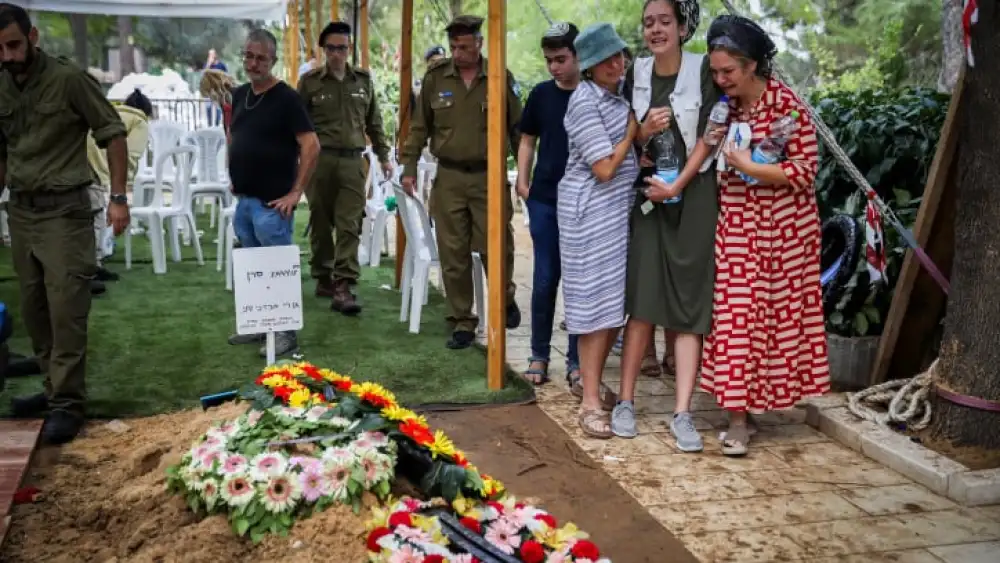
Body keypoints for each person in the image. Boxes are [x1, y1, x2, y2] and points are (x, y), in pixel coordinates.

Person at [0, 3, 130, 444]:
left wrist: (117, 198)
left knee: (66, 310)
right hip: (21, 210)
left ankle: (67, 405)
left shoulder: (69, 79)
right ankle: (54, 390)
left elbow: (112, 132)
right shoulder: (0, 84)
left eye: (14, 45)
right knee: (35, 311)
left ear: (33, 37)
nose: (8, 56)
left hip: (66, 212)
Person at [701, 14, 830, 455]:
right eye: (715, 72)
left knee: (770, 321)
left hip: (786, 232)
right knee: (736, 316)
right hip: (738, 223)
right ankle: (737, 418)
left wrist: (749, 167)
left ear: (752, 65)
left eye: (728, 72)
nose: (720, 80)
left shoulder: (787, 107)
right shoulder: (726, 108)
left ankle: (754, 408)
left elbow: (804, 171)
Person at [614, 0, 721, 447]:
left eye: (664, 22)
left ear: (682, 27)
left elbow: (710, 137)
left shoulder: (702, 71)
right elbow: (625, 137)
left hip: (693, 195)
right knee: (642, 298)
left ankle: (683, 413)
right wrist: (641, 135)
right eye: (649, 23)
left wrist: (676, 184)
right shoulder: (635, 74)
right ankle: (625, 401)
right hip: (649, 196)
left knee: (691, 305)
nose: (655, 30)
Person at [400, 15, 522, 350]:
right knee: (454, 254)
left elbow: (518, 130)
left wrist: (526, 173)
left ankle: (504, 297)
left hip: (488, 176)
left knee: (497, 247)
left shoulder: (499, 78)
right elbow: (420, 126)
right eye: (453, 46)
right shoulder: (436, 79)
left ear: (480, 44)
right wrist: (409, 164)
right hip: (450, 176)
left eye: (464, 46)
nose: (457, 53)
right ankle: (462, 321)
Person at [559, 23, 639, 438]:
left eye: (619, 55)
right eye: (606, 59)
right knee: (592, 310)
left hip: (614, 216)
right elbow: (604, 168)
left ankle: (591, 384)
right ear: (589, 67)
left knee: (611, 307)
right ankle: (589, 401)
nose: (616, 64)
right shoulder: (584, 102)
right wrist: (632, 134)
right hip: (587, 215)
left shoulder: (617, 96)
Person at [225, 29, 321, 358]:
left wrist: (297, 192)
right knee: (251, 267)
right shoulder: (239, 95)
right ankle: (255, 325)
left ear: (273, 61)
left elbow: (311, 145)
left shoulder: (287, 98)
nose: (253, 63)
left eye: (261, 58)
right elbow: (234, 136)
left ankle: (285, 334)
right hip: (245, 200)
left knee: (276, 268)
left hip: (273, 204)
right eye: (249, 56)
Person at [298, 21, 392, 313]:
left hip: (353, 160)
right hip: (319, 161)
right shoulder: (310, 82)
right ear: (323, 50)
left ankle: (344, 285)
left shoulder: (363, 81)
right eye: (331, 48)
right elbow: (298, 124)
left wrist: (384, 156)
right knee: (321, 222)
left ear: (349, 49)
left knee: (350, 223)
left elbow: (374, 122)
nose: (337, 54)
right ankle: (324, 274)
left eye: (342, 48)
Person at [515, 22, 581, 386]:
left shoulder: (594, 92)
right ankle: (538, 354)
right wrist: (523, 182)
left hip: (583, 204)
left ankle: (576, 360)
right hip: (544, 200)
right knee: (543, 280)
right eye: (549, 61)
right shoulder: (540, 94)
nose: (554, 67)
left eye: (561, 59)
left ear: (578, 56)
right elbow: (527, 140)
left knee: (576, 284)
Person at [86, 88, 153, 282]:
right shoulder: (139, 122)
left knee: (89, 216)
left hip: (82, 161)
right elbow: (131, 154)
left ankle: (94, 264)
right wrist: (123, 184)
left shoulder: (112, 112)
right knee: (97, 216)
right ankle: (92, 268)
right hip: (101, 167)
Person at [204, 48, 228, 126]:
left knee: (218, 110)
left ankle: (217, 125)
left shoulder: (221, 65)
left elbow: (226, 75)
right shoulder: (207, 65)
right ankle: (209, 125)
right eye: (209, 54)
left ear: (215, 55)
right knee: (208, 108)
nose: (211, 56)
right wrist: (209, 64)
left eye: (212, 54)